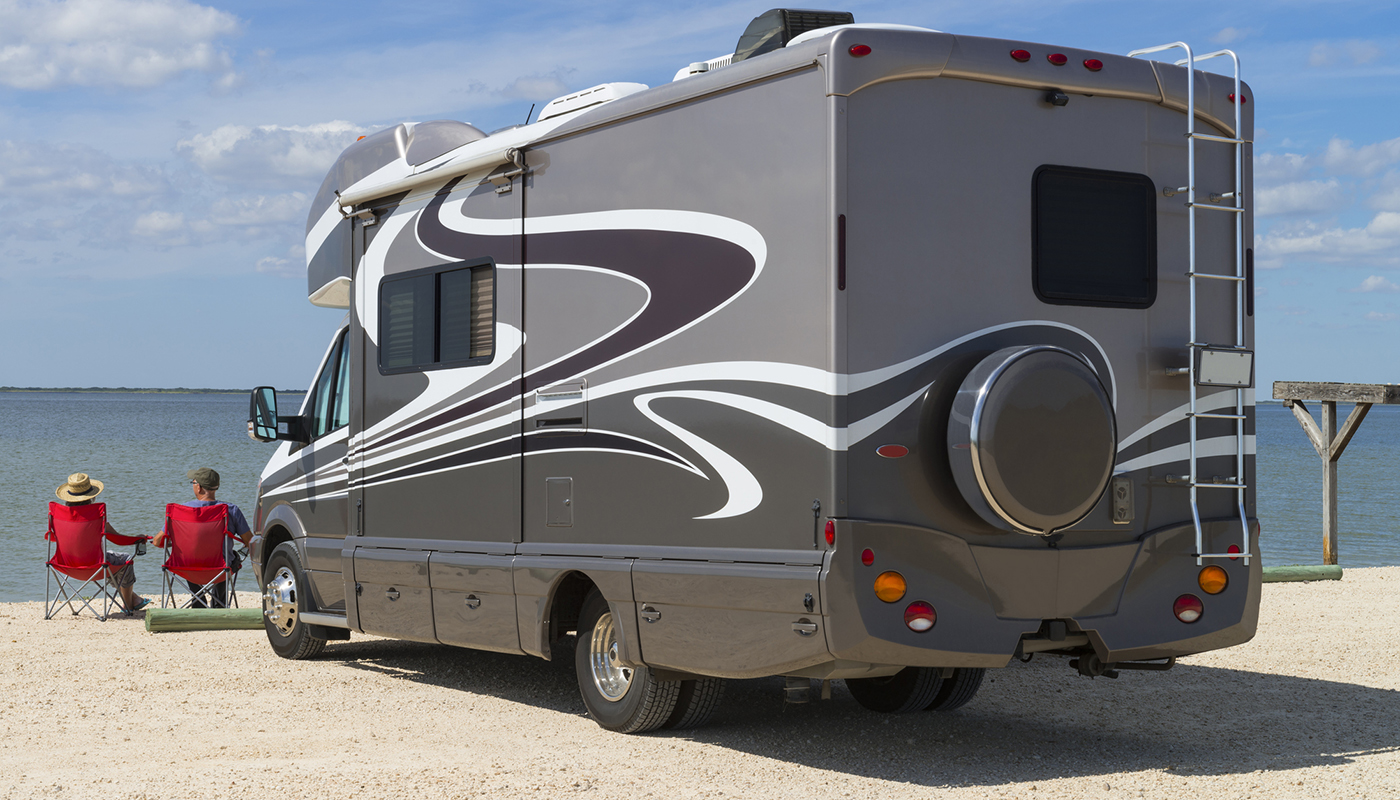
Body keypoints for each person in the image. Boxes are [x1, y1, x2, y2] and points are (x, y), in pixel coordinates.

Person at [54, 473, 153, 613]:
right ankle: (129, 604)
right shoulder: (96, 516)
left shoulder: (59, 517)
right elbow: (117, 539)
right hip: (95, 566)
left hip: (65, 565)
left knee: (113, 562)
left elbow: (52, 538)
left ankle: (134, 599)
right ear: (91, 496)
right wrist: (137, 539)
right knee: (125, 560)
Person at [154, 468, 251, 608]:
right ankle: (219, 604)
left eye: (193, 482)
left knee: (189, 556)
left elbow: (157, 542)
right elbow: (250, 541)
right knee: (229, 558)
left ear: (198, 487)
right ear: (216, 487)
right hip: (220, 569)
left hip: (186, 568)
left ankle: (197, 599)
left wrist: (178, 544)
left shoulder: (181, 511)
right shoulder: (231, 510)